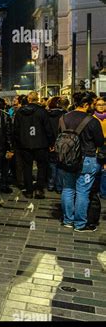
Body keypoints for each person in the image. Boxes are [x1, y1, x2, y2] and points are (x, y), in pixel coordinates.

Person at [56, 93, 104, 232]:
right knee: (83, 191)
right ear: (86, 105)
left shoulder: (63, 118)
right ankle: (80, 224)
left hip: (66, 159)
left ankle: (67, 220)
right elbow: (99, 141)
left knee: (68, 189)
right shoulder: (92, 120)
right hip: (87, 159)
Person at [13, 91, 54, 199]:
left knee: (27, 167)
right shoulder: (42, 111)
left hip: (25, 144)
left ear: (29, 99)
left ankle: (29, 190)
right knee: (41, 167)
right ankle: (39, 190)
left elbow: (15, 130)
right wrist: (51, 142)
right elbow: (47, 129)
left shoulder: (20, 112)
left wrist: (17, 143)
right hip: (41, 144)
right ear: (37, 99)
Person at [46, 96, 69, 193]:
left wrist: (50, 143)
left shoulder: (47, 115)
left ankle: (50, 184)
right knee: (60, 165)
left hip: (51, 143)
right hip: (63, 142)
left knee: (52, 164)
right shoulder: (65, 115)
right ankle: (59, 187)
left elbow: (47, 130)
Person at [93, 97, 106, 199]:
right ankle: (95, 191)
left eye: (103, 104)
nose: (101, 106)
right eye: (99, 105)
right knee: (96, 170)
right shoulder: (92, 118)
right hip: (96, 149)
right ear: (95, 106)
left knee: (105, 172)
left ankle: (103, 192)